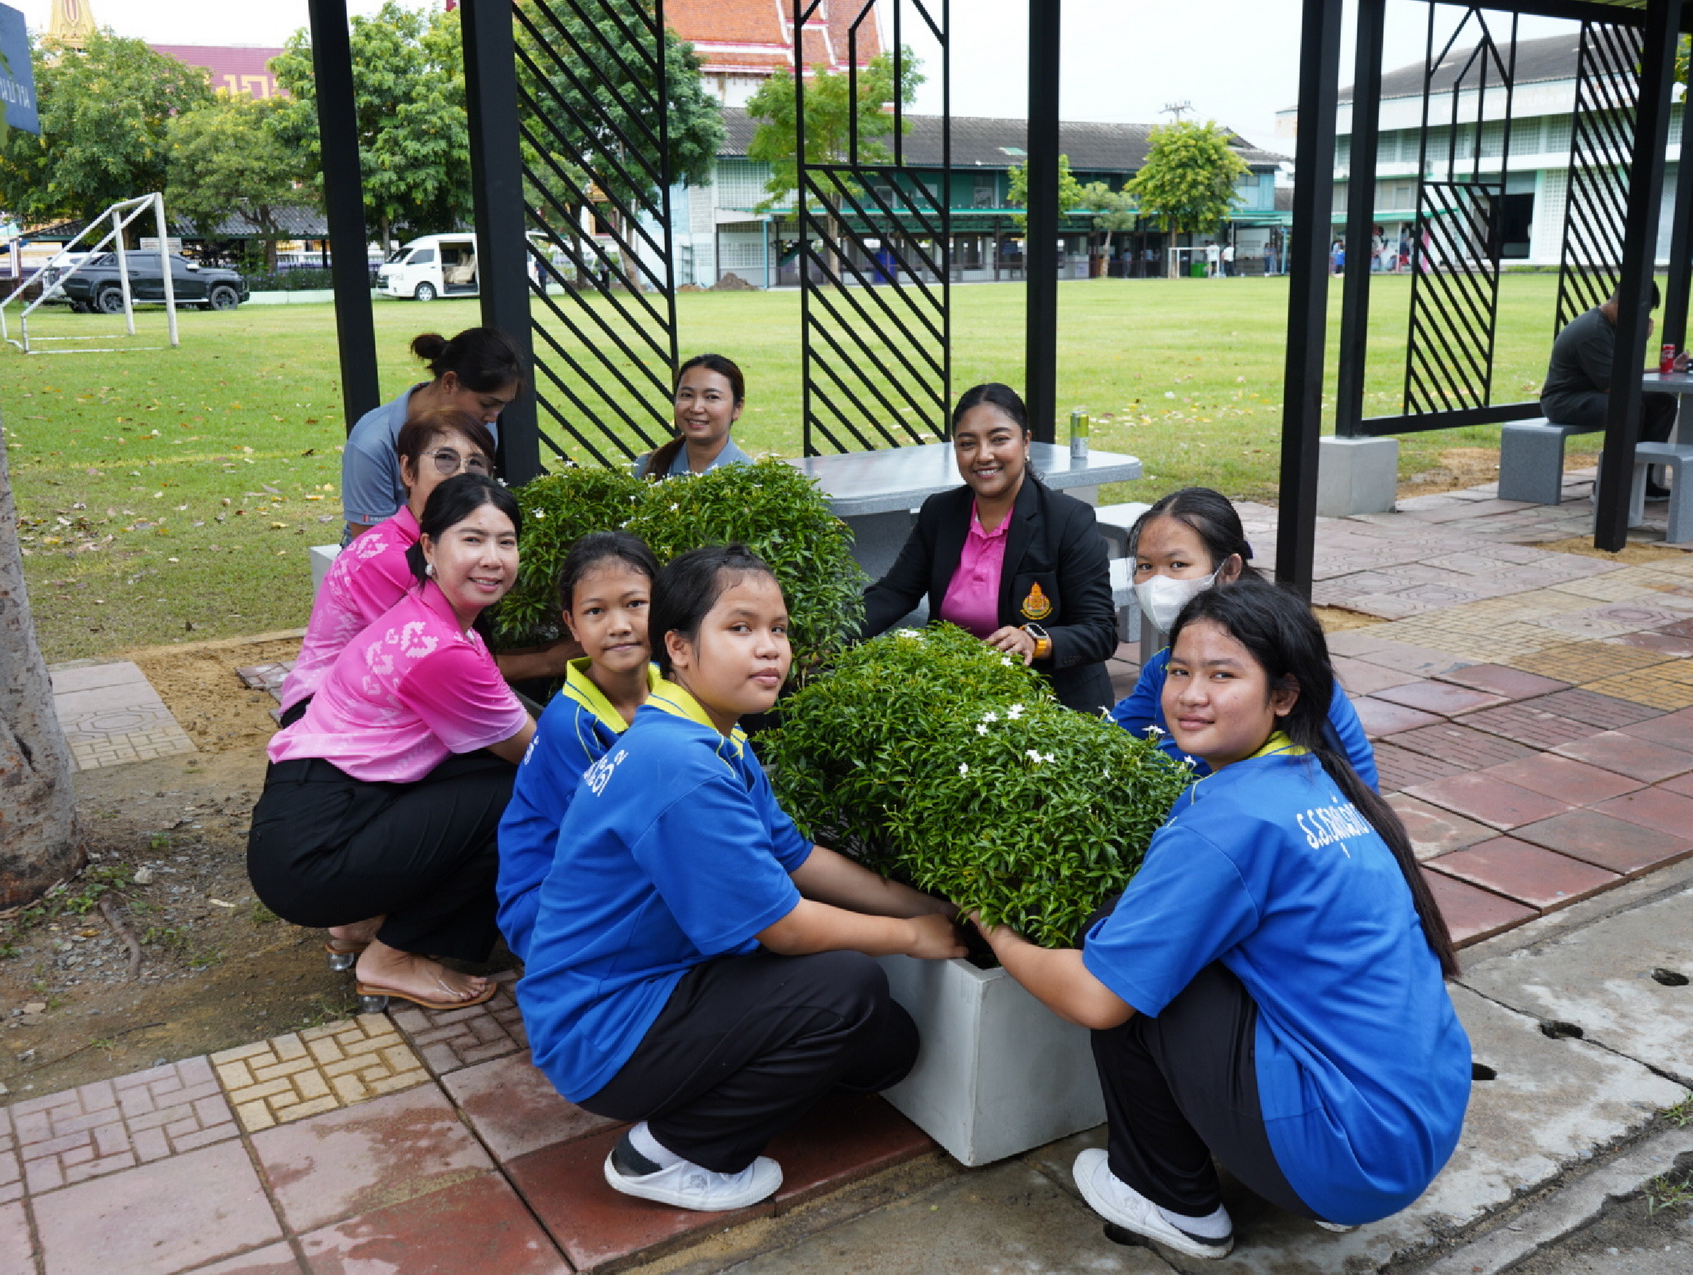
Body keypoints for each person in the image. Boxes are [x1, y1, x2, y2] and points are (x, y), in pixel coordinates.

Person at [973, 577, 1470, 1258]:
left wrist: (990, 924)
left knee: (1127, 956)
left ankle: (1173, 1200)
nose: (1190, 693)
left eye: (1222, 674)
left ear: (1284, 694)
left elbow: (1096, 997)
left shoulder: (1232, 819)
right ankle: (1295, 1171)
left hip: (1348, 1155)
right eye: (1178, 670)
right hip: (1419, 1125)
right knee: (1163, 940)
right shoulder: (1316, 776)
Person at [517, 544, 963, 1212]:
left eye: (778, 629)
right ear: (680, 647)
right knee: (850, 985)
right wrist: (912, 936)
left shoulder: (706, 732)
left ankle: (723, 1084)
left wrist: (931, 905)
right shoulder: (680, 765)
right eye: (741, 627)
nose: (770, 648)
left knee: (884, 1048)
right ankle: (668, 1151)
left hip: (648, 986)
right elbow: (784, 925)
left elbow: (799, 856)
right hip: (604, 1028)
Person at [247, 474, 537, 1010]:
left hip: (311, 820)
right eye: (471, 539)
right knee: (522, 797)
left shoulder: (428, 617)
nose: (493, 558)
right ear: (428, 546)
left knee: (485, 778)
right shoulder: (440, 648)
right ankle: (395, 955)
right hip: (311, 857)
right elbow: (537, 755)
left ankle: (355, 923)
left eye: (506, 541)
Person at [859, 382, 1118, 714]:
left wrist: (1036, 641)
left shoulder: (1067, 521)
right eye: (968, 444)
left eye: (999, 439)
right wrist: (830, 638)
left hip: (1053, 705)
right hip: (961, 699)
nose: (983, 456)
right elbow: (895, 592)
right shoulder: (941, 513)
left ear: (1025, 442)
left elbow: (1100, 631)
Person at [1109, 487, 1377, 788]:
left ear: (1230, 568)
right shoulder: (1162, 665)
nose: (1159, 582)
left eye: (1177, 565)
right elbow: (1111, 739)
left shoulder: (1271, 658)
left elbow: (1179, 768)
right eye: (1145, 566)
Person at [496, 531, 666, 963]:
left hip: (613, 876)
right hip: (547, 906)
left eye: (635, 604)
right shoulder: (571, 726)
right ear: (571, 624)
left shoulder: (674, 688)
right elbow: (613, 845)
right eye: (596, 611)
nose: (620, 626)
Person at [280, 410, 495, 730]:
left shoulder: (445, 545)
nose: (462, 475)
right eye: (445, 459)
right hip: (324, 711)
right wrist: (549, 660)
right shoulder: (393, 559)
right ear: (408, 471)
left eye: (475, 464)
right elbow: (451, 666)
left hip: (384, 698)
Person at [341, 328, 523, 541]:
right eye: (486, 404)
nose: (493, 417)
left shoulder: (481, 424)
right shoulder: (372, 442)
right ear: (449, 382)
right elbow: (370, 547)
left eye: (501, 406)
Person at [1541, 282, 1683, 497]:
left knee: (1663, 403)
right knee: (1629, 406)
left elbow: (1622, 373)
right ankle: (1610, 485)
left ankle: (1641, 481)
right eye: (1642, 312)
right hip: (1565, 400)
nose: (1643, 318)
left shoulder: (1611, 326)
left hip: (1594, 392)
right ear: (1623, 305)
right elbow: (1613, 386)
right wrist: (1640, 338)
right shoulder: (1593, 331)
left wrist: (1665, 368)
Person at [635, 353, 755, 479]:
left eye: (712, 397)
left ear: (737, 408)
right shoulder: (647, 468)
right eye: (687, 395)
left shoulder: (750, 480)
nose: (696, 408)